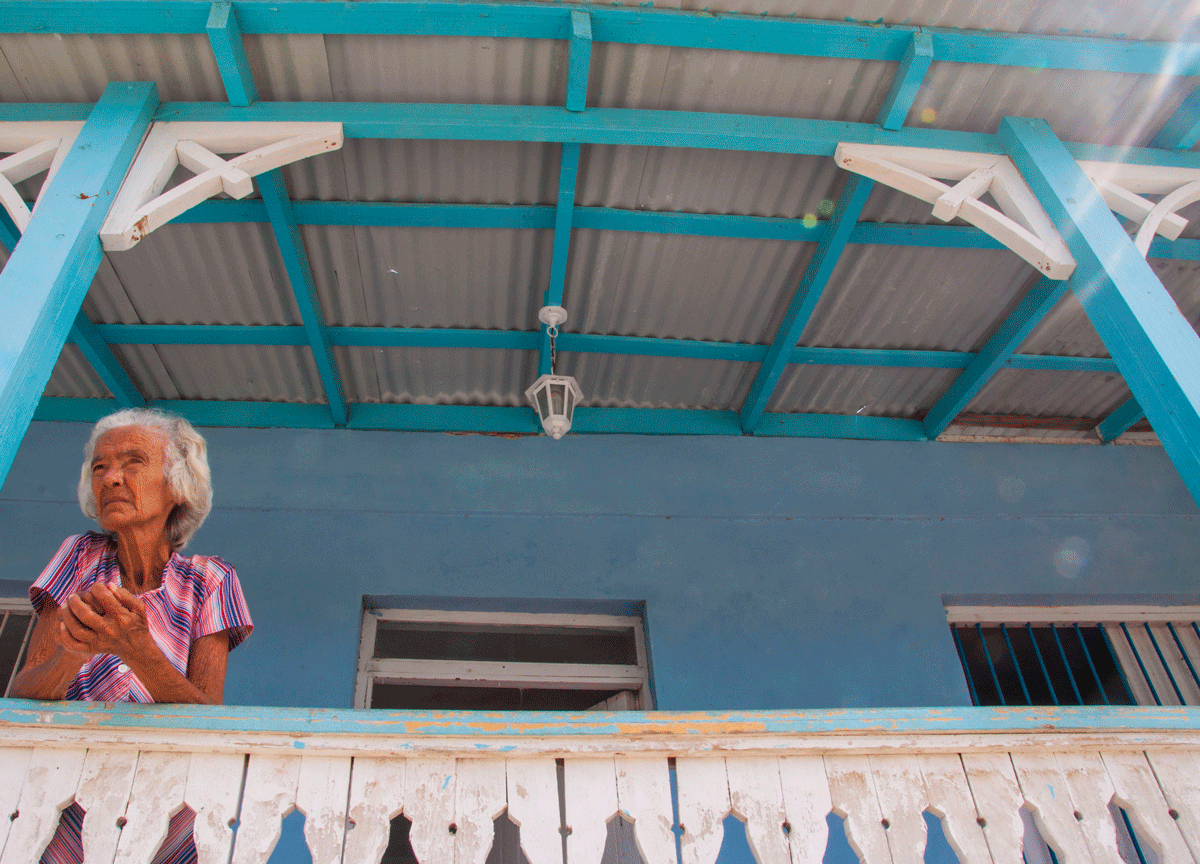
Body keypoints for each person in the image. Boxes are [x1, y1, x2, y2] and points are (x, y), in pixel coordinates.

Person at [10, 408, 253, 864]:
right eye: (99, 467)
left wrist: (138, 650)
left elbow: (207, 714)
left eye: (132, 462)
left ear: (177, 484)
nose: (110, 479)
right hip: (66, 793)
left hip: (165, 800)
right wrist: (70, 654)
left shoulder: (210, 580)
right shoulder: (78, 557)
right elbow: (24, 691)